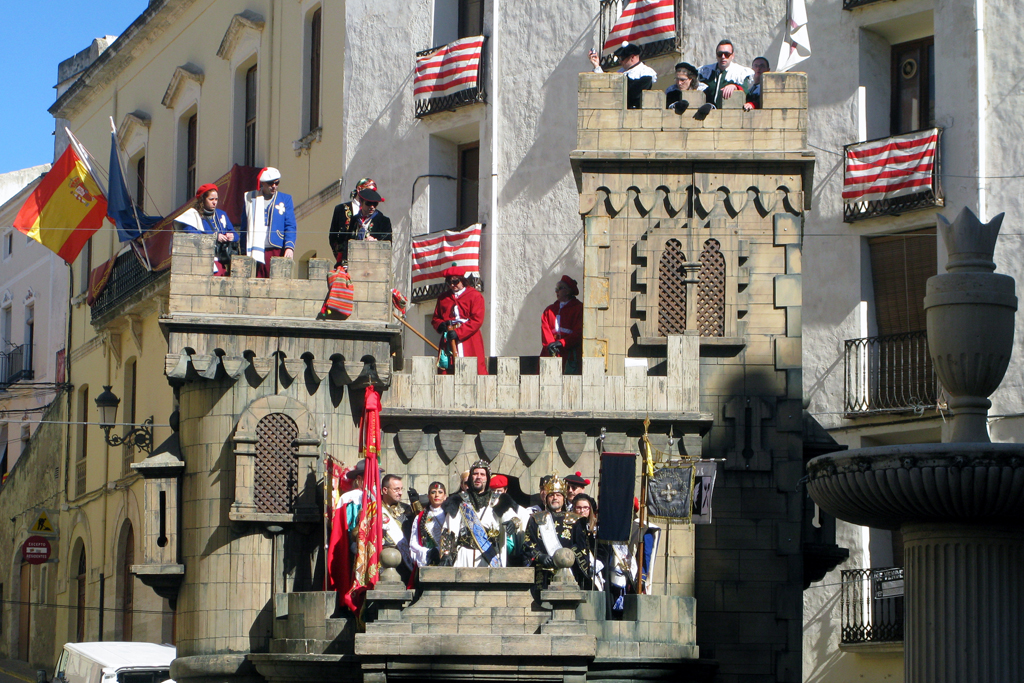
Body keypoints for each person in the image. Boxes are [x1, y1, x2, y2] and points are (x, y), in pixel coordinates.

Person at [438, 460, 520, 567]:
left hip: (489, 556)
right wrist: (446, 553)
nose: (478, 477)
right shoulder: (459, 500)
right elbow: (449, 529)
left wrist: (513, 523)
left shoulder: (498, 500)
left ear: (487, 478)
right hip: (464, 556)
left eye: (482, 474)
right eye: (475, 474)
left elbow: (513, 518)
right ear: (471, 477)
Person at [523, 474, 592, 587]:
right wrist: (540, 556)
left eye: (558, 495)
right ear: (546, 498)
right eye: (551, 495)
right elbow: (528, 544)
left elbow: (582, 547)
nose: (555, 498)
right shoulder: (536, 519)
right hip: (543, 573)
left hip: (569, 573)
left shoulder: (575, 520)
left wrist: (568, 557)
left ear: (563, 498)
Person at [242, 167, 296, 278]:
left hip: (276, 247)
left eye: (277, 183)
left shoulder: (285, 199)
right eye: (271, 183)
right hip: (255, 249)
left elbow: (290, 225)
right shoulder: (250, 198)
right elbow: (244, 224)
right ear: (263, 183)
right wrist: (243, 249)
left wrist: (289, 247)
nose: (274, 186)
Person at [432, 266, 488, 375]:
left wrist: (458, 332)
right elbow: (435, 318)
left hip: (469, 338)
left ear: (462, 280)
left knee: (474, 369)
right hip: (448, 339)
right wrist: (440, 325)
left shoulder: (475, 296)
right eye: (449, 282)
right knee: (447, 370)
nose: (452, 285)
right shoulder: (443, 298)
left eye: (455, 281)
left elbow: (477, 320)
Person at [175, 183, 237, 276]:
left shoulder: (221, 214)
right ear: (203, 199)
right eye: (211, 199)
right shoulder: (193, 216)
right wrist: (214, 237)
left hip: (222, 261)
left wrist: (231, 236)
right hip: (203, 262)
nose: (214, 202)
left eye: (216, 199)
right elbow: (193, 235)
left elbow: (235, 235)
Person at [329, 180, 392, 265]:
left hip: (374, 264)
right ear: (361, 203)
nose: (372, 207)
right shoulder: (354, 219)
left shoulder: (383, 220)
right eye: (369, 203)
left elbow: (388, 242)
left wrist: (376, 242)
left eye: (375, 204)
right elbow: (344, 240)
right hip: (353, 262)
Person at [589, 42, 658, 109]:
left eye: (622, 58)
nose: (620, 61)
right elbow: (608, 83)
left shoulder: (645, 72)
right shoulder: (622, 71)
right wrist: (596, 65)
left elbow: (634, 94)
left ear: (632, 57)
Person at [540, 275, 584, 374]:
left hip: (570, 354)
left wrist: (562, 343)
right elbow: (545, 331)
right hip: (551, 353)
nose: (556, 292)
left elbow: (578, 332)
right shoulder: (549, 310)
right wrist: (551, 345)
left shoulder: (579, 309)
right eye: (556, 289)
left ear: (568, 291)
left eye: (559, 288)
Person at [698, 39, 754, 110]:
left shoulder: (740, 73)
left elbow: (746, 92)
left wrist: (735, 86)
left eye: (727, 54)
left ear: (732, 56)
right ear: (716, 55)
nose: (723, 57)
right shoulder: (706, 71)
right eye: (720, 54)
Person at [381, 474, 414, 582]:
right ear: (385, 490)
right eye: (396, 489)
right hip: (380, 561)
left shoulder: (406, 509)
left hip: (403, 562)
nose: (400, 493)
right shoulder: (373, 509)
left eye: (401, 489)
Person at [409, 482, 448, 569]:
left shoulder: (450, 515)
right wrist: (427, 552)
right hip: (427, 561)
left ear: (445, 496)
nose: (437, 495)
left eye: (440, 492)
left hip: (446, 560)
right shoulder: (420, 517)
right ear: (428, 496)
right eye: (433, 492)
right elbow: (413, 543)